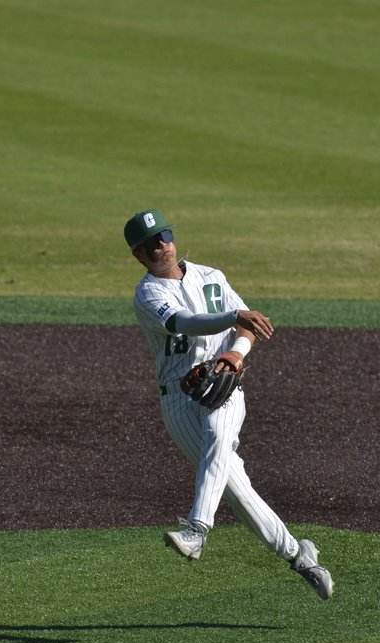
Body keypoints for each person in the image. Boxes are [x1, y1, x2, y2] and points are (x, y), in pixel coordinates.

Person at [125, 209, 334, 599]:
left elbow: (247, 326)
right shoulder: (148, 293)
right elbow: (184, 322)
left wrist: (235, 354)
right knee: (237, 491)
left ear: (172, 238)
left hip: (225, 386)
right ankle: (300, 556)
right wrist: (233, 314)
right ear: (138, 255)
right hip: (179, 404)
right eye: (149, 245)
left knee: (219, 436)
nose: (160, 247)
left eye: (163, 237)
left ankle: (197, 530)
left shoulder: (212, 276)